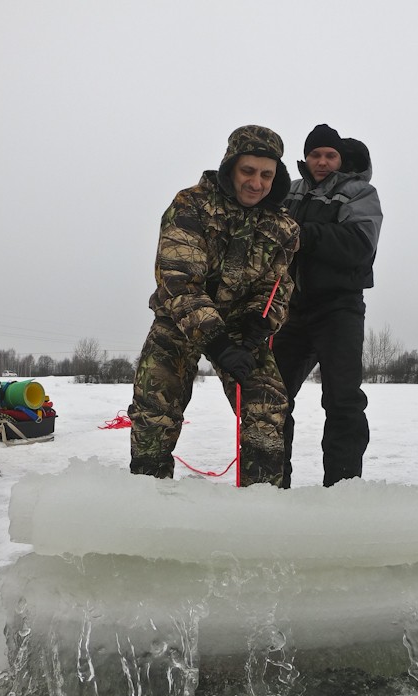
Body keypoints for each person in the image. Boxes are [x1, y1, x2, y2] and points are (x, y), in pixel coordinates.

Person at [128, 125, 299, 486]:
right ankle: (145, 500)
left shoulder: (283, 226)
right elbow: (178, 281)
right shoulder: (190, 205)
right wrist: (218, 345)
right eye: (248, 171)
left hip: (240, 330)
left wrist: (257, 328)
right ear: (230, 167)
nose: (256, 183)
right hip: (180, 320)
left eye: (267, 175)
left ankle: (262, 502)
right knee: (155, 408)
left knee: (268, 403)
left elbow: (276, 287)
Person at [272, 124, 383, 487]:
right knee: (271, 399)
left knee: (343, 401)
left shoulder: (359, 193)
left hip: (339, 309)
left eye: (330, 155)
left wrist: (301, 233)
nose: (322, 161)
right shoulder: (286, 191)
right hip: (289, 309)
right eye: (315, 154)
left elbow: (358, 244)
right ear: (305, 157)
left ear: (340, 159)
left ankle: (342, 492)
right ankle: (270, 486)